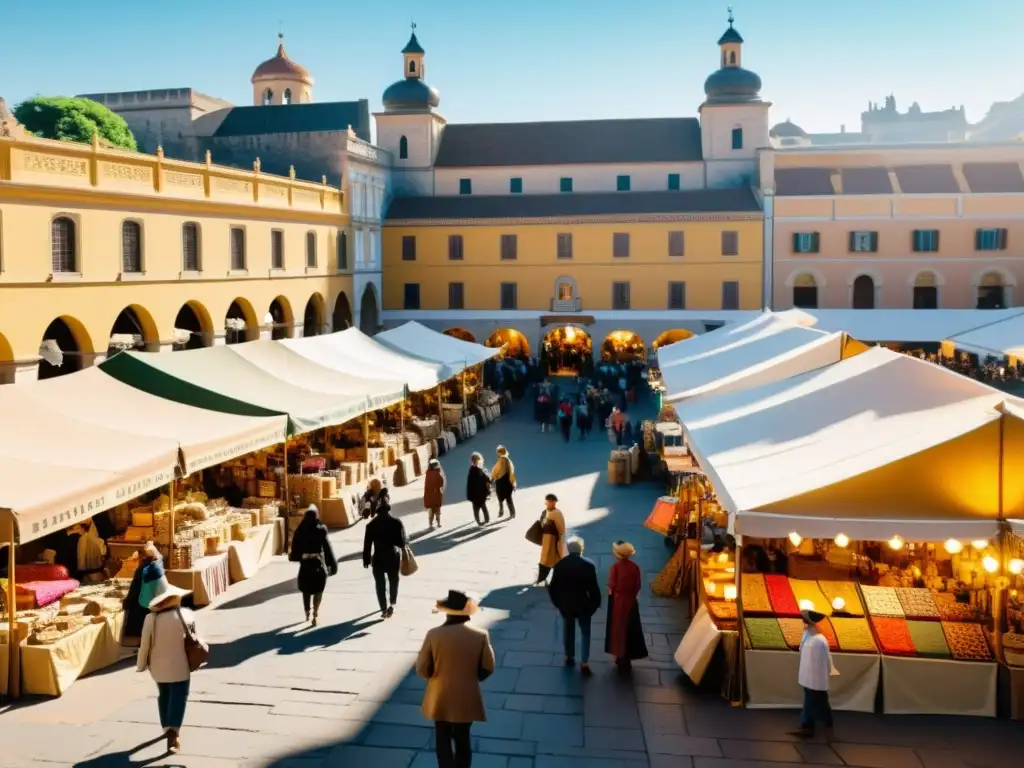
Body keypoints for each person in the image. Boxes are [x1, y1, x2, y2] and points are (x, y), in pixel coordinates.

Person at [415, 590, 495, 768]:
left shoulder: (434, 635)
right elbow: (488, 667)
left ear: (447, 611)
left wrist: (433, 676)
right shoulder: (480, 635)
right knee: (463, 739)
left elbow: (422, 669)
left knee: (442, 739)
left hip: (440, 695)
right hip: (466, 695)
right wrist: (471, 678)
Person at [136, 573, 199, 754]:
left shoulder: (150, 619)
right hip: (180, 664)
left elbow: (144, 645)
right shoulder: (186, 615)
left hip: (157, 666)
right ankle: (173, 732)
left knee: (164, 694)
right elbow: (193, 637)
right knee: (179, 695)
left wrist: (141, 666)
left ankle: (166, 728)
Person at [547, 536, 601, 676]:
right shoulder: (589, 566)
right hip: (583, 605)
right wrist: (593, 606)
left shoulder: (560, 565)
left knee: (568, 631)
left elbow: (553, 589)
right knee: (585, 633)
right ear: (581, 550)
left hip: (566, 606)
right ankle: (584, 663)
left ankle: (569, 657)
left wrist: (558, 604)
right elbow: (594, 590)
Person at [288, 505, 338, 626]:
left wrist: (295, 557)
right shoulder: (321, 529)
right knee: (318, 590)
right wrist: (332, 564)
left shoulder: (300, 530)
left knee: (306, 590)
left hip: (305, 564)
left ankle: (307, 613)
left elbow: (295, 547)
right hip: (318, 564)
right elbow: (327, 548)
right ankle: (315, 613)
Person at [791, 609, 836, 739]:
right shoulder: (812, 637)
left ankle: (807, 726)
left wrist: (813, 680)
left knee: (811, 701)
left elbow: (817, 664)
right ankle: (827, 722)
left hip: (813, 678)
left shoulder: (817, 641)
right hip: (811, 678)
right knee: (820, 700)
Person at [606, 541, 649, 671]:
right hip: (631, 601)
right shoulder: (635, 567)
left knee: (619, 630)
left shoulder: (615, 567)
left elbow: (611, 586)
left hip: (619, 602)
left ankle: (620, 655)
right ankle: (628, 656)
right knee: (631, 629)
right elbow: (638, 585)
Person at [363, 500, 408, 619]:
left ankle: (383, 608)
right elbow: (402, 542)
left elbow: (367, 545)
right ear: (388, 510)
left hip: (378, 557)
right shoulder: (396, 522)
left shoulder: (371, 525)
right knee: (394, 580)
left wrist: (366, 559)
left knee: (380, 584)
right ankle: (392, 603)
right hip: (392, 556)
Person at [121, 542, 162, 647]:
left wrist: (127, 602)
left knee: (140, 626)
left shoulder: (142, 568)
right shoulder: (156, 565)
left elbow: (135, 588)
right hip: (152, 601)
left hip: (140, 602)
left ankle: (141, 645)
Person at [535, 493, 567, 585]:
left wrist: (561, 541)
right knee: (545, 559)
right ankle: (541, 579)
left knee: (556, 560)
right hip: (546, 539)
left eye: (552, 501)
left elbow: (562, 529)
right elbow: (541, 524)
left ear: (555, 502)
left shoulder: (557, 513)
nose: (550, 503)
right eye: (548, 501)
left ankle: (559, 580)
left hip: (555, 540)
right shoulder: (544, 512)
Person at [466, 452, 492, 526]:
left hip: (474, 494)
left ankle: (479, 521)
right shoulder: (479, 469)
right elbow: (486, 478)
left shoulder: (471, 469)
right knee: (483, 506)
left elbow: (469, 483)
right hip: (480, 493)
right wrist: (490, 480)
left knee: (476, 508)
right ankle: (486, 520)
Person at [490, 446, 516, 519]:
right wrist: (513, 483)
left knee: (500, 498)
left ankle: (501, 511)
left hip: (501, 482)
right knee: (509, 498)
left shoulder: (501, 460)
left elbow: (495, 470)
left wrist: (492, 478)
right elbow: (512, 472)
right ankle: (512, 513)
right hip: (508, 482)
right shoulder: (509, 460)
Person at [423, 458, 447, 529]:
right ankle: (438, 523)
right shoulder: (437, 473)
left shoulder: (428, 473)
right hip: (436, 494)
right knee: (437, 510)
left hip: (429, 495)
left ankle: (430, 524)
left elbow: (427, 484)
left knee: (431, 510)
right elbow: (440, 483)